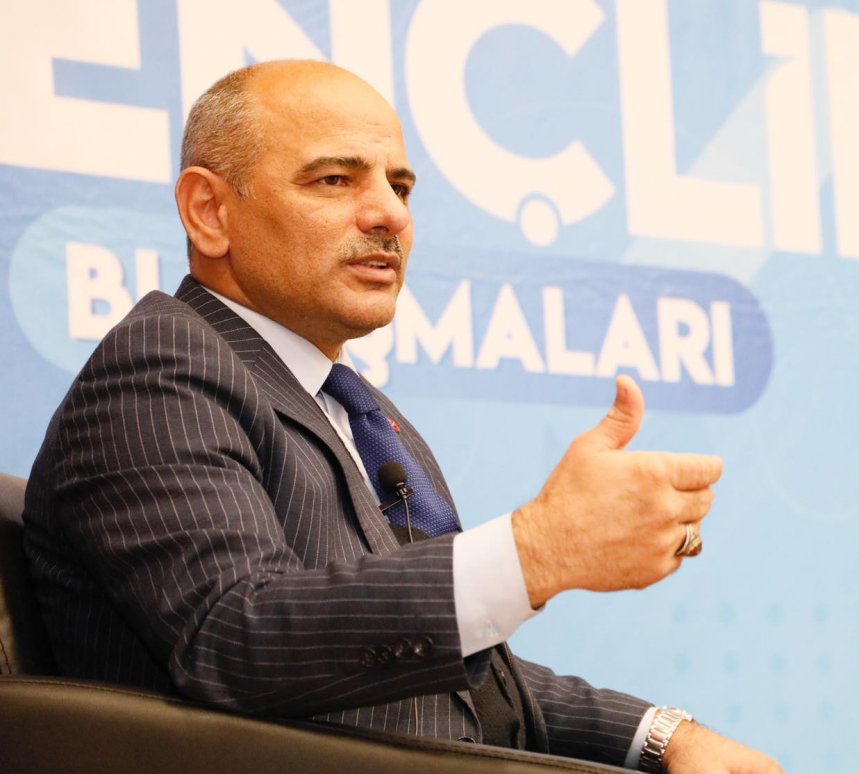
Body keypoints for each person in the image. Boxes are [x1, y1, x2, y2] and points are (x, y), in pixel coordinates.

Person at [23, 60, 780, 773]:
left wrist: (661, 736)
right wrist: (537, 552)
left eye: (401, 185)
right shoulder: (160, 369)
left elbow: (449, 682)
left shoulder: (353, 408)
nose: (389, 213)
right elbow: (236, 636)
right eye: (334, 179)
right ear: (209, 212)